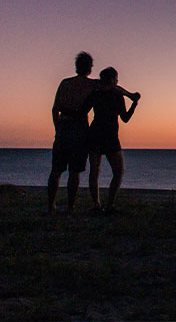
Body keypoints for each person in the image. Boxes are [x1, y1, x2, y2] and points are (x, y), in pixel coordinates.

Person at [48, 51, 135, 215]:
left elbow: (56, 109)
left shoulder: (67, 84)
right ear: (89, 68)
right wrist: (131, 97)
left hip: (72, 129)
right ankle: (74, 207)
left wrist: (58, 127)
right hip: (88, 131)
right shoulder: (93, 86)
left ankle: (53, 206)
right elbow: (116, 91)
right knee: (76, 171)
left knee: (59, 170)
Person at [85, 67, 139, 212]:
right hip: (110, 136)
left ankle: (97, 204)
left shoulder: (96, 94)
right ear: (113, 80)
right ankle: (109, 204)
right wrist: (134, 104)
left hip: (95, 134)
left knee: (94, 171)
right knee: (118, 170)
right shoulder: (116, 95)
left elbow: (84, 109)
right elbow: (125, 118)